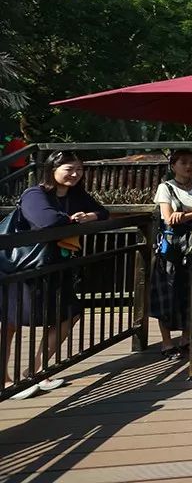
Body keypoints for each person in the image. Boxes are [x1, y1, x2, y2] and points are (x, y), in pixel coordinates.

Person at [1, 150, 108, 399]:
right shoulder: (34, 194)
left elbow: (102, 212)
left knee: (67, 315)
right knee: (9, 324)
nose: (74, 174)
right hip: (23, 268)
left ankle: (36, 370)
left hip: (55, 267)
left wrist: (88, 216)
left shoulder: (76, 195)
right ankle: (3, 380)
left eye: (79, 169)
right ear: (52, 170)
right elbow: (46, 221)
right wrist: (73, 220)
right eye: (69, 169)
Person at [151, 149, 192, 359]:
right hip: (172, 246)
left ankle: (187, 338)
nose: (188, 166)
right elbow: (168, 218)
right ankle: (166, 342)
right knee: (166, 292)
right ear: (173, 165)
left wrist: (186, 215)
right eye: (183, 162)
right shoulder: (165, 187)